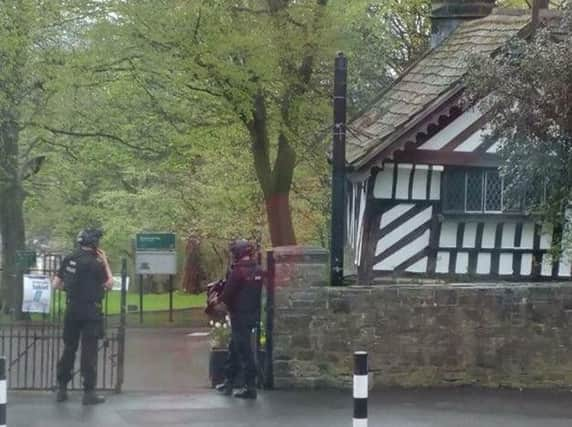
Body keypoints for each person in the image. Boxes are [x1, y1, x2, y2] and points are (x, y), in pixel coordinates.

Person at [52, 228, 113, 405]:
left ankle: (62, 388)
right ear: (95, 244)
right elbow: (109, 284)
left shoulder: (69, 258)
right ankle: (88, 393)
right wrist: (106, 262)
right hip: (90, 311)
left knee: (69, 348)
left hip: (72, 309)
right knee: (89, 352)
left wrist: (71, 291)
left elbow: (56, 284)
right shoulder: (96, 263)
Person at [215, 239, 263, 399]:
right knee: (234, 348)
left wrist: (217, 301)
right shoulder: (257, 269)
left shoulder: (238, 271)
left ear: (238, 253)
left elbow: (228, 293)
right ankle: (229, 382)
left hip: (239, 315)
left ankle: (250, 388)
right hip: (252, 314)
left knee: (244, 351)